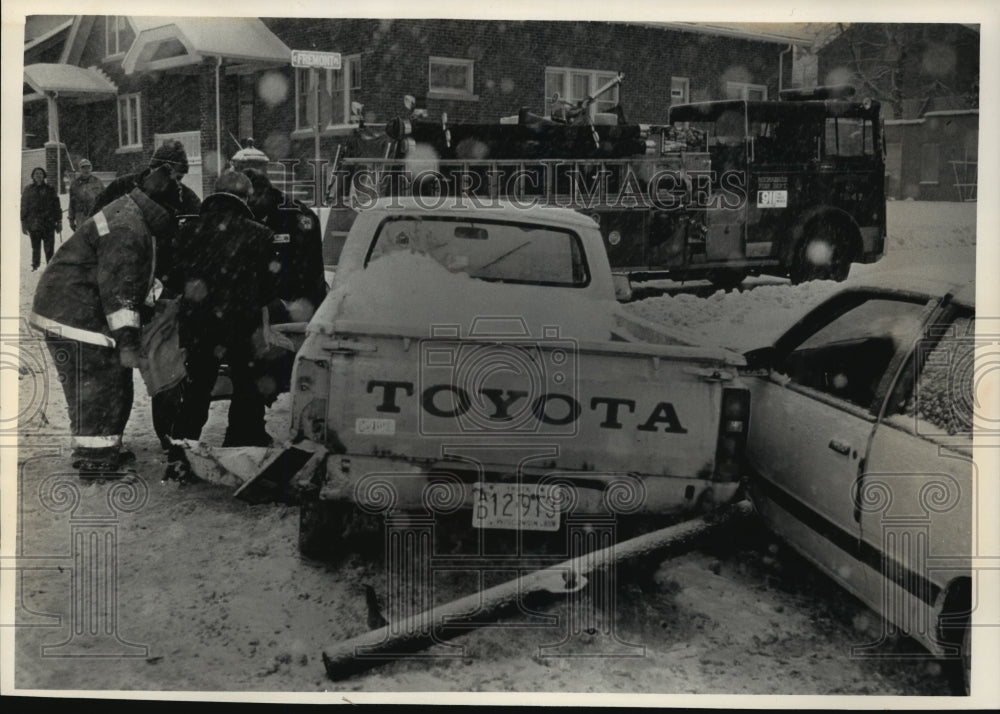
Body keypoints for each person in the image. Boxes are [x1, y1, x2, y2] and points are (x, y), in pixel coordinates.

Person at [29, 165, 179, 478]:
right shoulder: (128, 227)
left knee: (111, 383)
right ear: (161, 208)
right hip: (73, 312)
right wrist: (127, 341)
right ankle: (95, 462)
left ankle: (104, 452)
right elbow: (120, 291)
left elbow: (130, 281)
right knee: (97, 386)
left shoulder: (130, 214)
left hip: (73, 307)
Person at [153, 171, 277, 475]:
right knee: (247, 390)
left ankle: (181, 455)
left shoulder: (189, 231)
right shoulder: (260, 234)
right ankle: (241, 451)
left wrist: (197, 292)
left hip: (199, 327)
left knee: (195, 391)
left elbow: (169, 276)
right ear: (245, 197)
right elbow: (271, 287)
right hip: (242, 326)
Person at [91, 139, 202, 219]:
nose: (176, 183)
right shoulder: (123, 186)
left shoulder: (185, 198)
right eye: (171, 176)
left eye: (180, 178)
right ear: (154, 168)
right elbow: (95, 220)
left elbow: (200, 226)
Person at [20, 167, 62, 271]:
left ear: (44, 175)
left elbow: (56, 206)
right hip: (34, 224)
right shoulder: (28, 190)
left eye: (40, 173)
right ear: (33, 176)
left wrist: (59, 221)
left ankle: (50, 266)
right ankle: (35, 265)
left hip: (48, 223)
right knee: (35, 247)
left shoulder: (50, 189)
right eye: (36, 174)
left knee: (49, 248)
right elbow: (24, 206)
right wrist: (23, 223)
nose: (38, 176)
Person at [68, 159, 105, 231]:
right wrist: (71, 220)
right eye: (83, 167)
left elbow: (105, 198)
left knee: (103, 235)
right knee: (84, 239)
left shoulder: (97, 182)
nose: (86, 170)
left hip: (98, 214)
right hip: (82, 216)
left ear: (91, 168)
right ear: (80, 169)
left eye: (88, 167)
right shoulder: (75, 184)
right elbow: (72, 204)